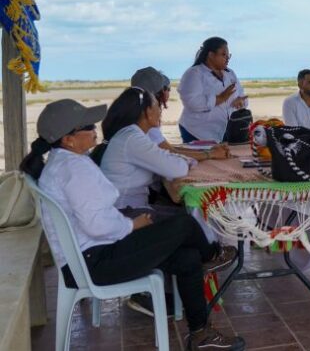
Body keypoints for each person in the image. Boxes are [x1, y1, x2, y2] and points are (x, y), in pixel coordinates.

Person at [20, 99, 245, 351]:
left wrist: (127, 223)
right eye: (87, 126)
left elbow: (96, 217)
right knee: (183, 223)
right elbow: (97, 224)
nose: (95, 129)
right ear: (68, 140)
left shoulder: (66, 162)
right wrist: (132, 225)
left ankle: (200, 333)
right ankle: (213, 255)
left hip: (93, 253)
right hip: (96, 261)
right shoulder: (72, 170)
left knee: (188, 257)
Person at [92, 87, 194, 220]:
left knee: (188, 216)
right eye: (157, 106)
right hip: (125, 213)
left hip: (130, 208)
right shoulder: (132, 139)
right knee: (193, 221)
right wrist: (186, 161)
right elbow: (177, 168)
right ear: (147, 112)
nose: (160, 110)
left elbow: (164, 159)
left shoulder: (131, 135)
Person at [131, 67, 230, 163]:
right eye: (168, 89)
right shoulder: (146, 120)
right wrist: (211, 154)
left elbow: (166, 147)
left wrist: (208, 151)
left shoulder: (135, 112)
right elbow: (170, 152)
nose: (169, 92)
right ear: (160, 92)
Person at [178, 37, 248, 143]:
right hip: (197, 132)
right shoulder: (194, 73)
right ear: (211, 55)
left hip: (223, 131)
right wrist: (220, 98)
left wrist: (241, 102)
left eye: (229, 55)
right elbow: (192, 103)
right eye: (224, 54)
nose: (227, 58)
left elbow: (242, 97)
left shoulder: (230, 73)